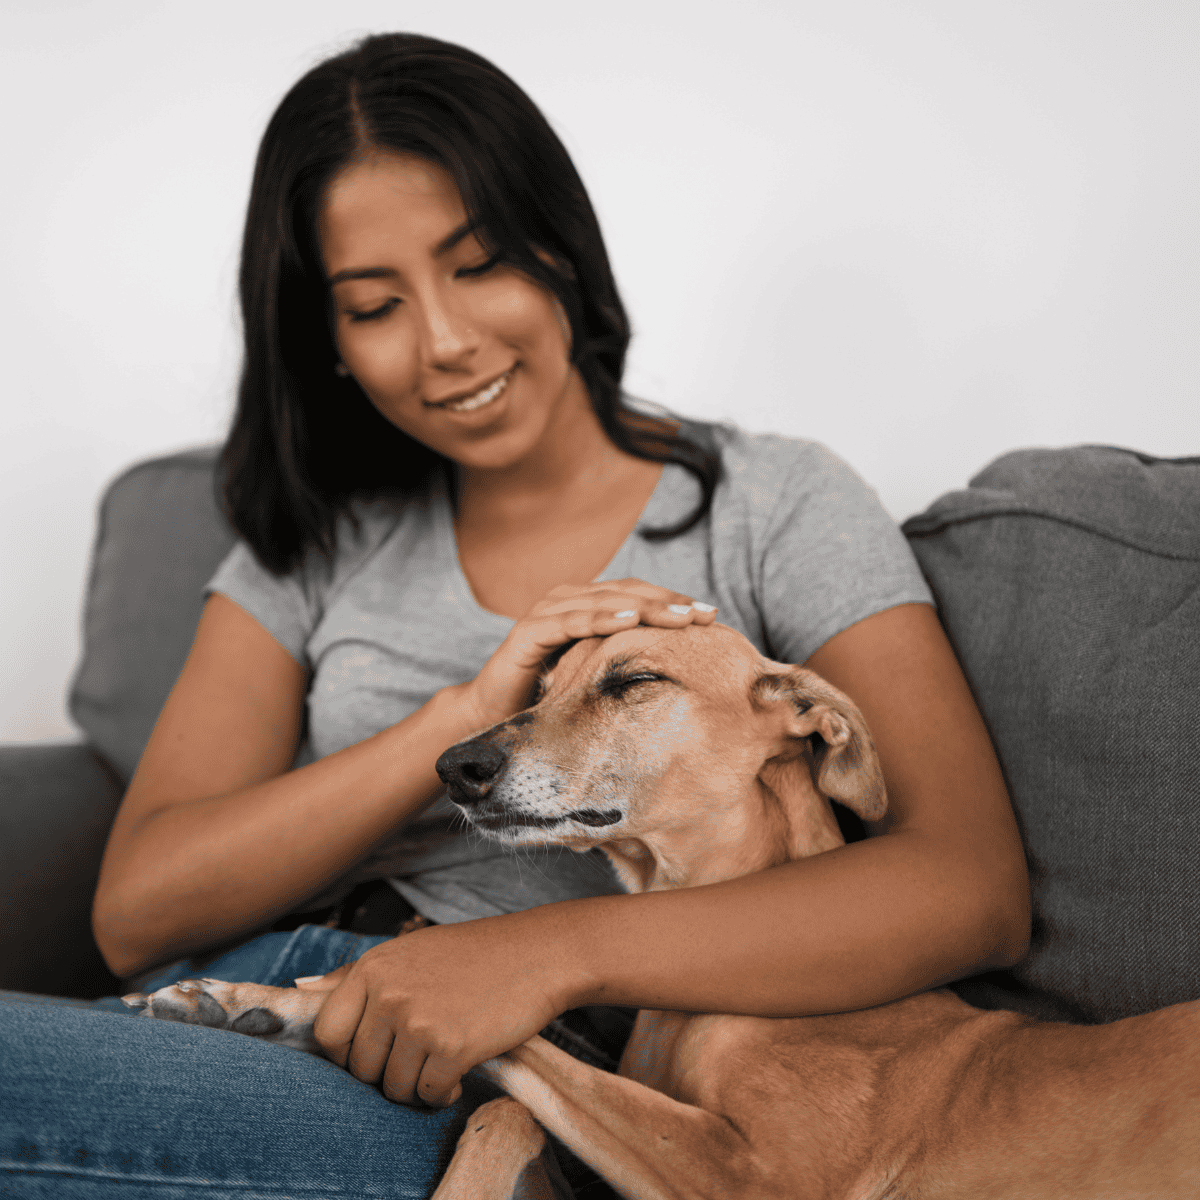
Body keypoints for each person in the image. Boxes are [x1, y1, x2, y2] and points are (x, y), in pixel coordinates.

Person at [0, 31, 1029, 1199]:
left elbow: (969, 884)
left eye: (480, 261)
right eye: (374, 305)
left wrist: (538, 957)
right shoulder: (314, 541)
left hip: (482, 1065)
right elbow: (139, 910)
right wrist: (464, 717)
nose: (446, 343)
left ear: (560, 247)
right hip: (241, 993)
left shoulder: (773, 503)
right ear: (327, 342)